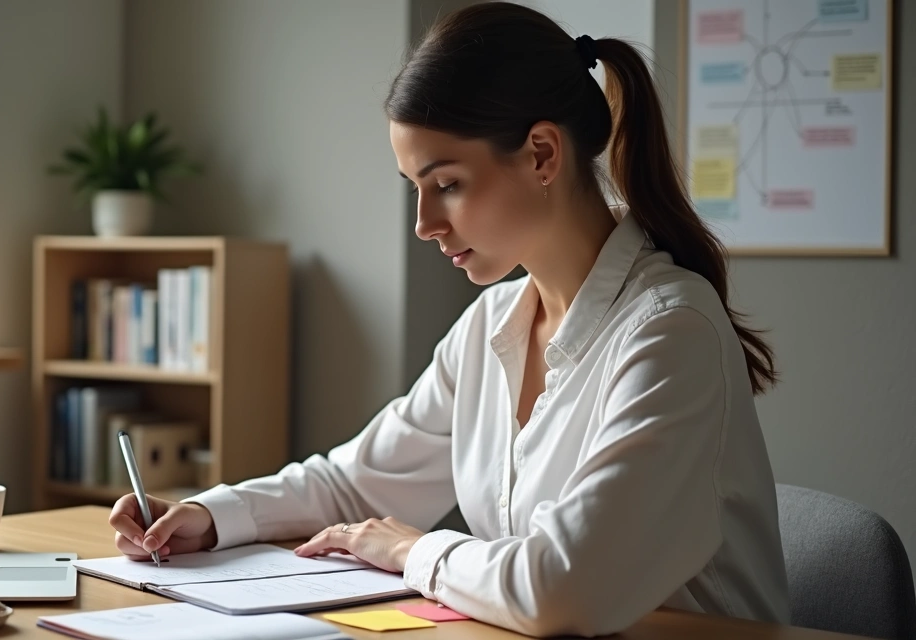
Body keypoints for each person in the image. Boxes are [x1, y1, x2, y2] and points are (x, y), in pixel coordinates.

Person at [109, 3, 790, 636]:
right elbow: (354, 482)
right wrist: (207, 516)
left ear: (542, 155)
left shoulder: (670, 333)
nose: (424, 224)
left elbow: (561, 588)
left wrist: (412, 549)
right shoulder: (492, 322)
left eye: (448, 185)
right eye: (415, 189)